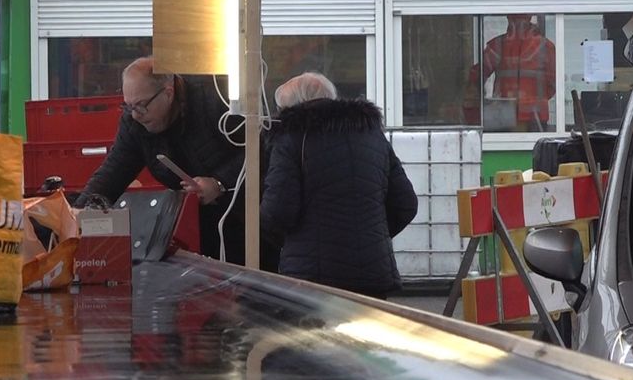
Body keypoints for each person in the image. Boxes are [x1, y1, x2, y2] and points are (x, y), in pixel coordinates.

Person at [76, 56, 263, 266]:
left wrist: (219, 183)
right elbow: (113, 171)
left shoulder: (214, 98)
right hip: (198, 229)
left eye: (141, 105)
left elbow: (261, 149)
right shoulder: (134, 121)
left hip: (251, 222)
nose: (136, 115)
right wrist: (79, 215)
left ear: (168, 92)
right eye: (128, 106)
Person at [261, 72, 417, 299]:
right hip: (373, 273)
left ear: (293, 107)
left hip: (313, 277)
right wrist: (371, 236)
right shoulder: (371, 133)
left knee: (316, 335)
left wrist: (293, 244)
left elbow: (277, 212)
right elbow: (406, 204)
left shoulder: (292, 137)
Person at [464, 14, 556, 132]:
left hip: (527, 116)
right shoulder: (544, 46)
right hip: (515, 114)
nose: (518, 23)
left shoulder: (498, 45)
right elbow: (476, 76)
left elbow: (476, 76)